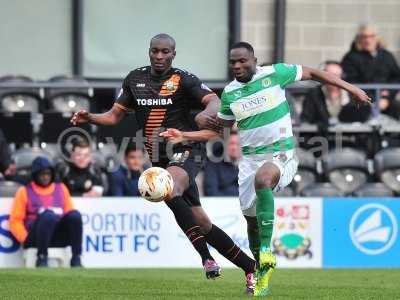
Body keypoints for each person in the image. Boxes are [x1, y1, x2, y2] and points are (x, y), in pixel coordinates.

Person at [160, 41, 371, 296]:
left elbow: (315, 74)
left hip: (281, 152)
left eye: (242, 61)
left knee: (264, 179)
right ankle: (261, 270)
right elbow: (218, 134)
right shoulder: (230, 93)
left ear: (254, 60)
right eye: (233, 62)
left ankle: (268, 251)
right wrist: (183, 134)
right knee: (251, 224)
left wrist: (352, 88)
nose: (237, 66)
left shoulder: (275, 73)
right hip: (249, 161)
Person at [71, 34, 256, 292]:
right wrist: (89, 117)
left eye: (165, 52)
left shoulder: (184, 79)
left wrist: (205, 114)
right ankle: (250, 268)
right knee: (201, 222)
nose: (159, 56)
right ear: (149, 52)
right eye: (155, 51)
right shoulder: (135, 79)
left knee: (167, 188)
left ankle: (206, 258)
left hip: (187, 149)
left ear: (173, 54)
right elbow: (114, 116)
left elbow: (213, 100)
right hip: (159, 157)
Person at [9, 156, 83, 267]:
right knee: (48, 216)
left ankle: (76, 258)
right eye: (42, 174)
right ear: (35, 175)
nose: (45, 177)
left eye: (48, 174)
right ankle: (42, 258)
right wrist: (25, 239)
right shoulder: (24, 191)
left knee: (75, 216)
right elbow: (15, 221)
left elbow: (69, 213)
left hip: (58, 236)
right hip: (35, 238)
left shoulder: (61, 188)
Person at [342, 24, 400, 119]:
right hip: (362, 102)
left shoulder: (386, 56)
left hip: (387, 101)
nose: (368, 40)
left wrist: (387, 96)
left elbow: (396, 77)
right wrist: (372, 99)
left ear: (377, 38)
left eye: (371, 36)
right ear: (359, 38)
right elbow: (351, 81)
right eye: (364, 36)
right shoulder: (350, 58)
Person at [301, 61, 371, 125]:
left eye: (337, 75)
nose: (333, 79)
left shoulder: (351, 94)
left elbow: (363, 115)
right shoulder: (314, 94)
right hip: (321, 136)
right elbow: (307, 117)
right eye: (330, 75)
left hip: (350, 135)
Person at [204, 131, 240, 196]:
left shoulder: (249, 163)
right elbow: (211, 191)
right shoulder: (213, 162)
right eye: (231, 144)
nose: (234, 148)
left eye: (238, 144)